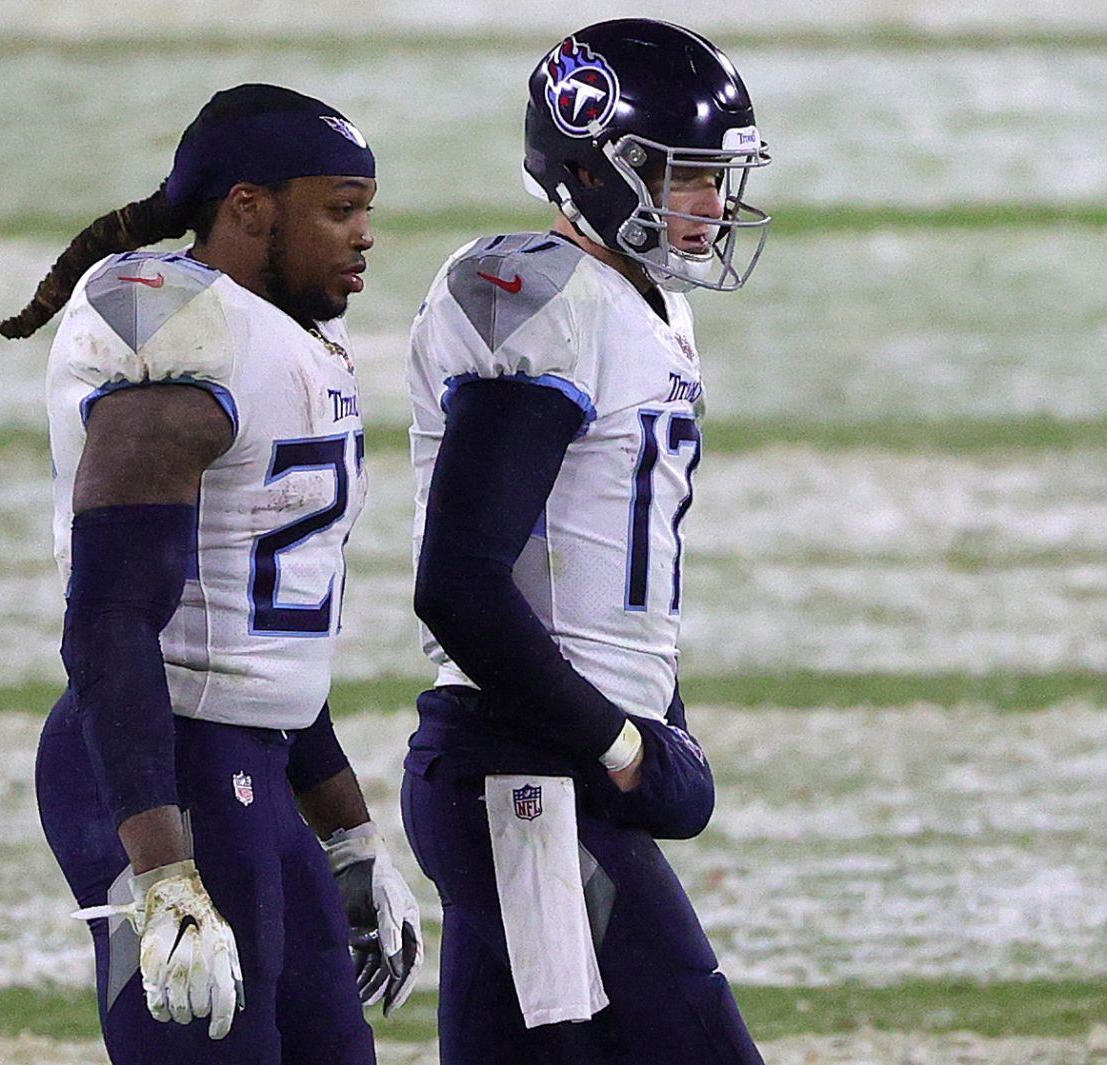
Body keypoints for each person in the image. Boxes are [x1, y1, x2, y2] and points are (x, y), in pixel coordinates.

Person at [0, 83, 419, 1065]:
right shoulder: (177, 331)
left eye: (366, 211)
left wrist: (349, 833)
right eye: (337, 209)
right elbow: (109, 621)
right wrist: (163, 875)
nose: (361, 237)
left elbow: (255, 632)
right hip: (160, 762)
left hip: (251, 762)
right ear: (248, 207)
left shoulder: (292, 334)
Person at [400, 20, 771, 1065]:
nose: (708, 205)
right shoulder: (542, 295)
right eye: (684, 176)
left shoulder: (640, 309)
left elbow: (611, 569)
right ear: (588, 164)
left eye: (716, 177)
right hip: (525, 775)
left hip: (537, 768)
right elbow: (461, 584)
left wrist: (664, 720)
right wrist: (618, 746)